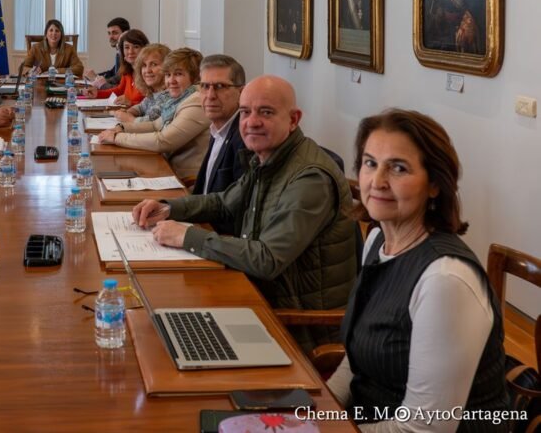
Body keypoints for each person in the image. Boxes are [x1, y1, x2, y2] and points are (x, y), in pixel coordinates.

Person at [133, 75, 357, 350]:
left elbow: (267, 258)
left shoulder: (309, 180)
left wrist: (188, 237)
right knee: (148, 322)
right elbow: (225, 202)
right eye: (245, 112)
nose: (251, 122)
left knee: (154, 338)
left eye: (266, 112)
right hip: (257, 295)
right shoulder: (270, 156)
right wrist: (169, 208)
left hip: (295, 326)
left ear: (294, 119)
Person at [327, 109, 508, 431]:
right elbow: (355, 364)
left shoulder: (445, 280)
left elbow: (425, 427)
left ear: (435, 184)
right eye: (370, 163)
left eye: (398, 168)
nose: (378, 181)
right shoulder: (378, 240)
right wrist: (315, 413)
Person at [97, 48, 208, 180]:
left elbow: (163, 141)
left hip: (186, 181)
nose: (170, 81)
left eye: (178, 74)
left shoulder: (197, 100)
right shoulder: (179, 98)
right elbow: (156, 125)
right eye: (168, 75)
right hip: (168, 170)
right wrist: (122, 127)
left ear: (195, 77)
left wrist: (117, 138)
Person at [193, 55, 247, 235]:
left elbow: (238, 215)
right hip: (204, 225)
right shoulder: (219, 128)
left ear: (241, 92)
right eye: (204, 86)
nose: (210, 95)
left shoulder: (245, 139)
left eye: (220, 87)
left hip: (219, 239)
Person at [84, 29, 149, 106]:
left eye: (136, 47)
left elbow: (152, 105)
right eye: (127, 47)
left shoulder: (148, 73)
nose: (130, 52)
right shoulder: (128, 71)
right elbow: (119, 90)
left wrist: (131, 103)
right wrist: (97, 94)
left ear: (145, 49)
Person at [113, 43, 171, 123]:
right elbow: (140, 107)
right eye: (144, 65)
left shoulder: (168, 95)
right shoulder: (153, 92)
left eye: (154, 64)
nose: (147, 70)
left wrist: (129, 119)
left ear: (167, 67)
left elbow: (150, 123)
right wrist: (128, 112)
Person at [86, 17, 130, 86]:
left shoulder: (129, 56)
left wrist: (95, 78)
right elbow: (113, 73)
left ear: (125, 34)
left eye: (114, 33)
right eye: (109, 33)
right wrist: (96, 76)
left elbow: (118, 83)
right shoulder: (119, 53)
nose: (110, 37)